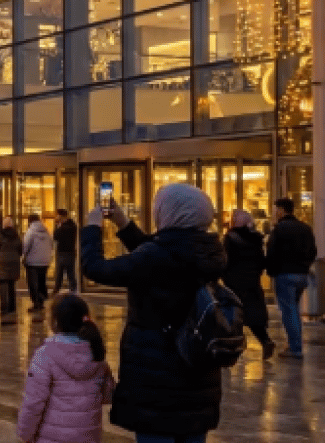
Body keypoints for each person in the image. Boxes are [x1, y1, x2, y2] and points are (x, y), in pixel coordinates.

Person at [81, 184, 225, 443]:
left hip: (156, 377)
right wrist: (123, 223)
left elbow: (96, 268)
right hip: (197, 374)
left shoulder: (157, 257)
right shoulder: (209, 249)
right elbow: (159, 252)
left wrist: (93, 228)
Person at [16, 294, 115, 443]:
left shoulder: (45, 355)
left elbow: (34, 403)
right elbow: (108, 396)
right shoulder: (97, 354)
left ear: (55, 322)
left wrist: (24, 434)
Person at [265, 197, 317, 360]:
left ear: (281, 211)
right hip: (301, 274)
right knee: (294, 310)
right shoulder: (305, 228)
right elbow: (313, 251)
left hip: (285, 274)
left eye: (275, 210)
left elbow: (272, 252)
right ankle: (294, 344)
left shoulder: (279, 229)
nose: (274, 214)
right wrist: (305, 266)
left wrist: (271, 271)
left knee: (289, 311)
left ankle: (295, 348)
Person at [221, 209, 274, 359]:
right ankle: (265, 340)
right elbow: (261, 260)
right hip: (252, 282)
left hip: (235, 282)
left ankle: (233, 346)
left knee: (234, 314)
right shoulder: (256, 239)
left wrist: (224, 276)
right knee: (254, 315)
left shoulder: (230, 238)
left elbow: (225, 260)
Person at [0, 217, 23, 324]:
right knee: (11, 285)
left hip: (1, 263)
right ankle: (12, 307)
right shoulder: (16, 235)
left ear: (3, 225)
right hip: (14, 262)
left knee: (3, 285)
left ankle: (4, 308)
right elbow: (20, 249)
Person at [22, 214, 54, 313]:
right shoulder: (46, 231)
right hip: (44, 261)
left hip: (32, 262)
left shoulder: (30, 232)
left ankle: (36, 303)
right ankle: (41, 301)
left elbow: (25, 246)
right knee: (42, 281)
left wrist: (23, 257)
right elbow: (51, 244)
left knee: (33, 283)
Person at [52, 209, 78, 295]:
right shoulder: (70, 225)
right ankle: (59, 288)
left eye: (57, 215)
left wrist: (59, 225)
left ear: (61, 216)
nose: (56, 217)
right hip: (64, 252)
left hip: (66, 252)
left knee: (69, 271)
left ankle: (72, 289)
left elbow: (56, 235)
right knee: (60, 272)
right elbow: (55, 236)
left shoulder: (69, 226)